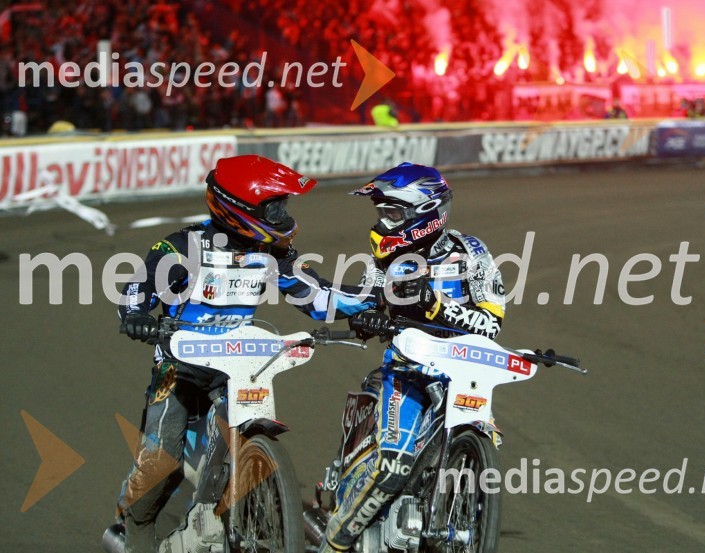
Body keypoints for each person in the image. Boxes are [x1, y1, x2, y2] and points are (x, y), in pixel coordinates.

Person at [117, 154, 381, 553]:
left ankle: (223, 508)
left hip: (237, 367)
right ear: (237, 208)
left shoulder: (271, 253)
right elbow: (135, 292)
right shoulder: (183, 246)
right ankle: (136, 533)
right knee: (160, 463)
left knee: (237, 435)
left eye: (282, 206)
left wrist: (374, 304)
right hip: (180, 369)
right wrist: (136, 316)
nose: (281, 214)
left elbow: (319, 298)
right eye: (273, 206)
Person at [318, 162, 506, 553]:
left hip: (464, 375)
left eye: (391, 213)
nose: (382, 223)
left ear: (423, 214)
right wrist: (354, 312)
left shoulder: (472, 252)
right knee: (392, 468)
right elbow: (365, 303)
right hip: (408, 374)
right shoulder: (382, 262)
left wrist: (435, 307)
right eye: (381, 213)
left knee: (489, 441)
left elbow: (491, 322)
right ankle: (332, 545)